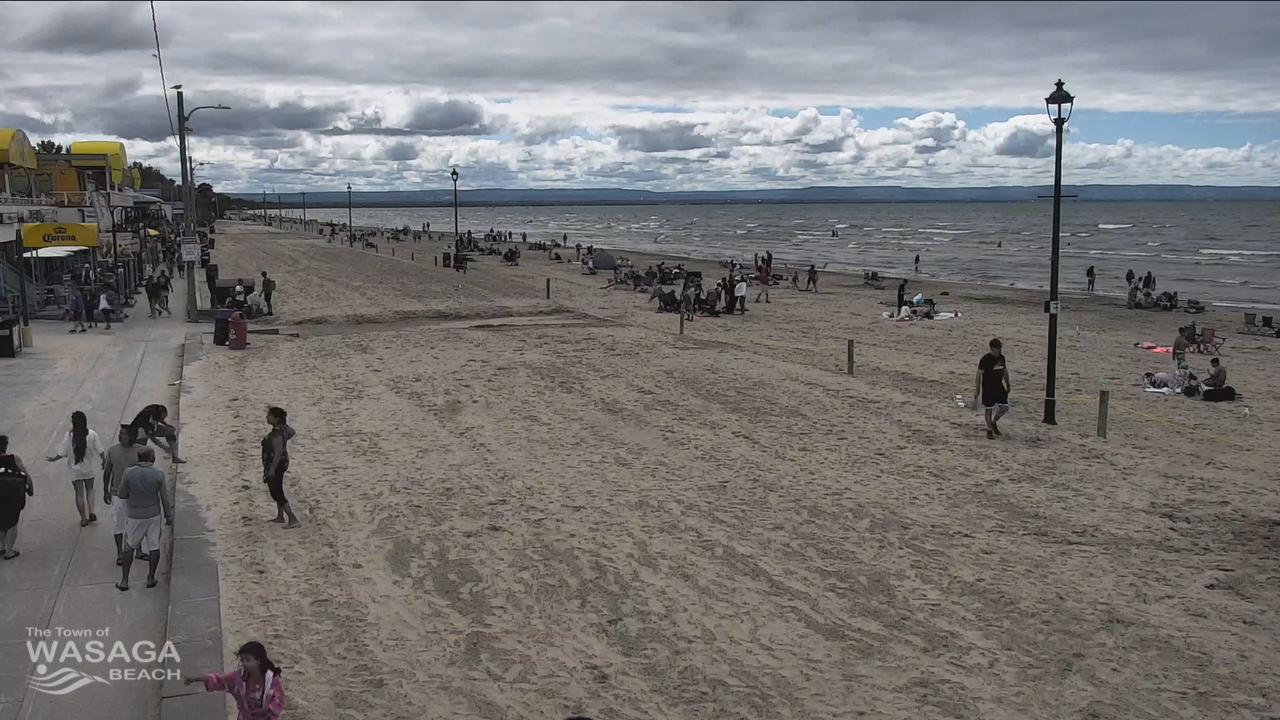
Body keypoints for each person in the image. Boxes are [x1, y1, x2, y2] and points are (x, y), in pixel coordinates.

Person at [115, 446, 172, 591]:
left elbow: (121, 494)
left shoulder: (129, 473)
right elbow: (164, 497)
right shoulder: (158, 474)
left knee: (129, 547)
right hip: (153, 514)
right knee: (154, 546)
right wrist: (168, 516)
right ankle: (151, 577)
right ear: (152, 458)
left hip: (134, 515)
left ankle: (124, 580)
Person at [183, 641, 286, 720]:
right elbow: (219, 680)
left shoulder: (271, 680)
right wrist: (195, 679)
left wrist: (265, 711)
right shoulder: (238, 678)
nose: (244, 663)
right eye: (242, 660)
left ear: (258, 661)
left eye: (248, 659)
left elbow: (279, 701)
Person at [46, 410, 105, 526]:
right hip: (89, 468)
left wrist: (54, 458)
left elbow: (62, 452)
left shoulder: (69, 435)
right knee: (90, 489)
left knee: (79, 493)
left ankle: (83, 518)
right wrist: (104, 459)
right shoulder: (92, 434)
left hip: (74, 470)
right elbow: (100, 450)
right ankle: (91, 511)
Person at [103, 425, 143, 566]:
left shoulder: (141, 451)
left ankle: (138, 550)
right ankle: (120, 553)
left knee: (137, 524)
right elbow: (107, 472)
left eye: (123, 434)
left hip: (135, 494)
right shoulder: (112, 451)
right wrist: (106, 491)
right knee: (119, 525)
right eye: (120, 433)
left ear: (131, 436)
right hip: (117, 494)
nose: (120, 436)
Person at [263, 407, 300, 528]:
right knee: (278, 487)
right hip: (282, 462)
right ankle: (280, 516)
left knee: (276, 492)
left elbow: (278, 452)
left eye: (269, 415)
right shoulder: (284, 428)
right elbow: (292, 432)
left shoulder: (277, 433)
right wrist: (285, 438)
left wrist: (272, 469)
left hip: (277, 464)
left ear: (277, 418)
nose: (267, 417)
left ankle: (292, 518)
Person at [0, 435, 34, 560]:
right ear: (5, 446)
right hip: (12, 495)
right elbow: (25, 474)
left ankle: (1, 547)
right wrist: (30, 488)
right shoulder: (14, 458)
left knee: (1, 520)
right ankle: (9, 551)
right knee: (12, 522)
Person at [974, 338, 1011, 440]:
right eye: (997, 348)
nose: (999, 350)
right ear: (992, 348)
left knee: (1004, 407)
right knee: (988, 409)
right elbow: (979, 374)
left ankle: (994, 422)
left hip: (999, 386)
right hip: (988, 387)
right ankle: (989, 429)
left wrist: (1008, 383)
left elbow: (1005, 371)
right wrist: (977, 388)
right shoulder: (986, 359)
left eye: (1000, 347)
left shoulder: (1002, 358)